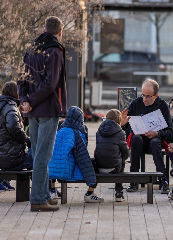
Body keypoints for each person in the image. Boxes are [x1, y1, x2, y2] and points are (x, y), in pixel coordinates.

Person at [18, 16, 67, 212]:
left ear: (45, 29)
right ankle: (38, 199)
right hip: (47, 109)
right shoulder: (55, 51)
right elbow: (51, 83)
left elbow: (21, 79)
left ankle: (45, 195)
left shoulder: (31, 49)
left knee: (39, 152)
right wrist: (31, 102)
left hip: (33, 110)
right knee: (42, 156)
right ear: (60, 31)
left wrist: (25, 101)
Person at [121, 79, 173, 193]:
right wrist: (124, 124)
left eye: (148, 96)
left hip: (154, 143)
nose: (145, 99)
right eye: (143, 95)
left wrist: (157, 133)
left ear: (156, 96)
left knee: (155, 142)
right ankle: (133, 181)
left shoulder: (162, 105)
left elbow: (170, 132)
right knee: (136, 139)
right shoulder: (136, 103)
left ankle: (163, 181)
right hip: (138, 142)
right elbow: (126, 131)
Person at [49, 106, 104, 203]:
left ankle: (52, 190)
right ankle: (89, 194)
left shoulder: (59, 130)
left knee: (55, 159)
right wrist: (90, 178)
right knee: (94, 164)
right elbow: (82, 156)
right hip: (67, 170)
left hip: (51, 170)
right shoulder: (77, 133)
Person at [0, 81, 33, 191]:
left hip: (2, 156)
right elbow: (15, 129)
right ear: (15, 93)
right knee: (36, 158)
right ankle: (44, 190)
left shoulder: (2, 106)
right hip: (11, 159)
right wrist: (27, 140)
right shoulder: (10, 108)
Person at [94, 109, 129, 202]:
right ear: (119, 120)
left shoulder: (99, 131)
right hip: (114, 168)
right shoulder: (120, 132)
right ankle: (119, 192)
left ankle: (91, 191)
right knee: (122, 161)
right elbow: (126, 153)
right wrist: (122, 158)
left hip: (99, 166)